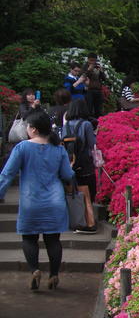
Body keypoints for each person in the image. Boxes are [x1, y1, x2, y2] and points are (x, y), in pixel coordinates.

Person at [0, 111, 75, 290]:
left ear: (33, 129)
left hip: (30, 201)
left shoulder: (22, 148)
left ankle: (34, 270)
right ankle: (54, 275)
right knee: (53, 240)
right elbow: (67, 175)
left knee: (29, 239)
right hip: (55, 202)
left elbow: (7, 174)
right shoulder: (58, 149)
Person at [62, 99, 97, 234]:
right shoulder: (86, 124)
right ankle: (88, 221)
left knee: (75, 191)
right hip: (85, 163)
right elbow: (92, 143)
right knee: (88, 192)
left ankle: (78, 219)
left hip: (70, 163)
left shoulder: (67, 125)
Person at [82, 53, 106, 118]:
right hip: (89, 90)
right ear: (88, 60)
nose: (92, 62)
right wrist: (89, 70)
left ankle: (98, 121)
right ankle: (89, 123)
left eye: (94, 60)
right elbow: (82, 77)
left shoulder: (98, 66)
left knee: (98, 109)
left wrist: (101, 71)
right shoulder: (85, 67)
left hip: (98, 89)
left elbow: (104, 78)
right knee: (89, 108)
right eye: (91, 60)